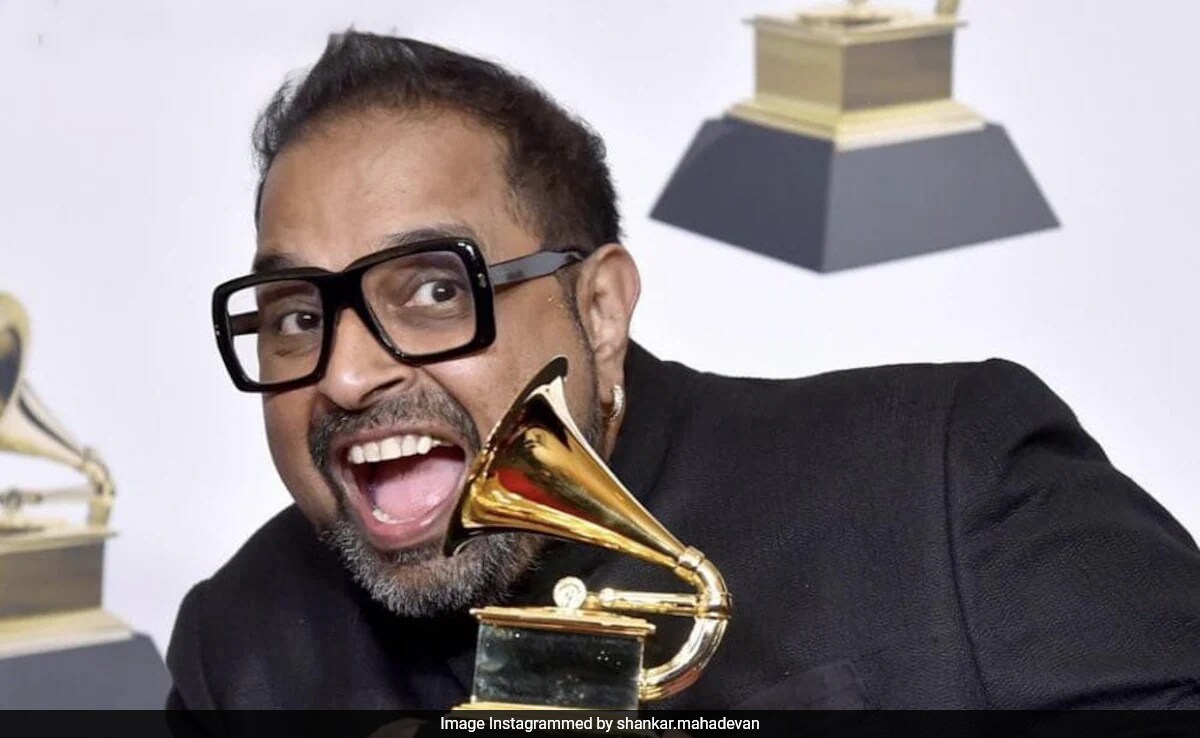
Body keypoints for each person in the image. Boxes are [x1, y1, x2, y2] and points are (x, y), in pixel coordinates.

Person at [167, 31, 1200, 720]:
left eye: (435, 289)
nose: (347, 373)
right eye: (296, 317)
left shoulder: (947, 477)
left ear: (601, 309)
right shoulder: (238, 643)